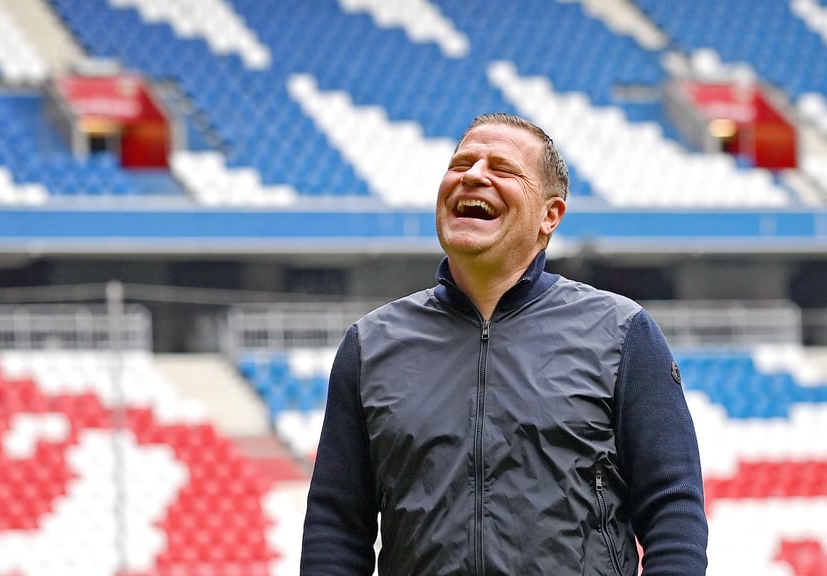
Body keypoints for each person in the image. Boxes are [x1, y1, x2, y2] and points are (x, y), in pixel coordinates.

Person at [300, 112, 708, 575]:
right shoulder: (370, 344)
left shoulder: (624, 332)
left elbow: (674, 513)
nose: (473, 176)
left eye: (502, 169)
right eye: (461, 164)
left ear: (550, 216)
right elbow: (335, 527)